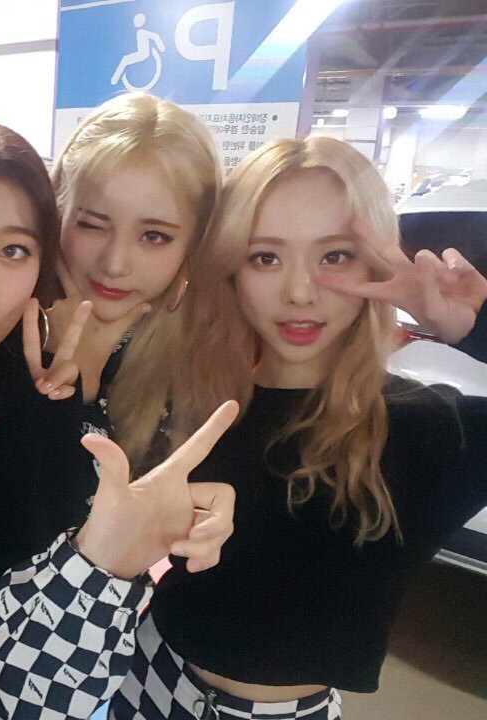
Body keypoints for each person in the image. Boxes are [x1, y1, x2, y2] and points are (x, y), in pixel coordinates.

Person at [0, 113, 238, 719]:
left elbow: (31, 677)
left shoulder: (170, 381)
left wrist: (187, 521)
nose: (115, 263)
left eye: (154, 235)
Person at [110, 136, 487, 719]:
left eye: (334, 256)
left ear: (377, 262)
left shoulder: (429, 429)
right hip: (143, 680)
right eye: (265, 257)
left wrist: (473, 326)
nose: (300, 292)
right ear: (232, 268)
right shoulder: (198, 405)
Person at [48, 91, 223, 474]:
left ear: (194, 245)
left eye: (154, 236)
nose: (114, 264)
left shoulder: (208, 365)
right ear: (58, 213)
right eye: (92, 225)